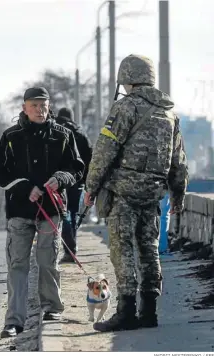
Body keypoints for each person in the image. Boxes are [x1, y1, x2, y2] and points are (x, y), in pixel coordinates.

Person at [84, 54, 188, 332]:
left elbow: (105, 150)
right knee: (149, 248)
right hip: (153, 193)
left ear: (126, 78)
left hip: (124, 192)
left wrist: (91, 187)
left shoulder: (125, 107)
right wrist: (178, 195)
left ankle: (127, 311)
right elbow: (178, 161)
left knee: (123, 249)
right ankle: (150, 311)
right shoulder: (169, 114)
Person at [0, 87, 84, 338]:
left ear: (49, 106)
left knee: (48, 261)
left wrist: (60, 178)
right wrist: (24, 188)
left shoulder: (63, 135)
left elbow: (76, 168)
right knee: (17, 265)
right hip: (19, 210)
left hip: (51, 210)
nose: (40, 110)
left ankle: (52, 308)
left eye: (43, 105)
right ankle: (13, 321)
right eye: (34, 105)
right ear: (24, 108)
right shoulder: (10, 136)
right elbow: (0, 172)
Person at [55, 107, 92, 263]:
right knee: (72, 213)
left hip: (60, 180)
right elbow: (90, 158)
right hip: (77, 180)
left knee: (62, 215)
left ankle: (68, 249)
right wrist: (88, 182)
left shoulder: (55, 131)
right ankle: (72, 249)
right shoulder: (81, 133)